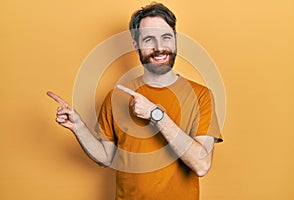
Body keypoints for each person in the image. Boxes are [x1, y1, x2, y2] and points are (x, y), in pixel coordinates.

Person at [47, 2, 223, 200]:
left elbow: (202, 165)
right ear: (136, 45)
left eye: (166, 37)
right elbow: (106, 157)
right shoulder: (117, 95)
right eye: (149, 39)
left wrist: (156, 116)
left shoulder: (200, 95)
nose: (159, 48)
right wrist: (78, 126)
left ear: (175, 40)